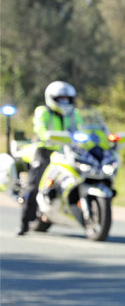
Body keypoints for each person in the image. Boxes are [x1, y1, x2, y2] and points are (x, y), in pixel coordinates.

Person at [17, 81, 83, 235]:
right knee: (34, 185)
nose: (64, 102)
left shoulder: (75, 114)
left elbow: (81, 128)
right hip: (46, 150)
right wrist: (46, 135)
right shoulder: (43, 111)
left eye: (67, 99)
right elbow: (40, 127)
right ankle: (24, 223)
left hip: (67, 151)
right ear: (52, 98)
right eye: (61, 98)